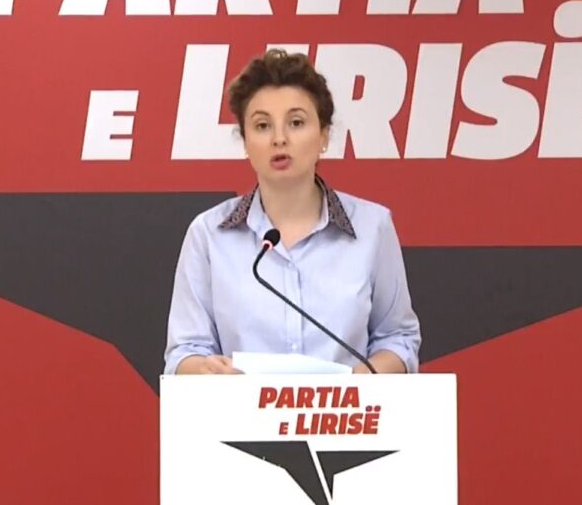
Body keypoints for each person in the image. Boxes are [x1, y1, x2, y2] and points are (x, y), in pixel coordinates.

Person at [163, 49, 421, 375]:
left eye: (296, 123)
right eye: (262, 126)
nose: (279, 139)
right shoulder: (208, 234)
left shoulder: (373, 227)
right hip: (240, 409)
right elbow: (184, 352)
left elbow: (398, 337)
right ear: (245, 142)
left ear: (324, 135)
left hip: (348, 407)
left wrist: (362, 380)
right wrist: (206, 372)